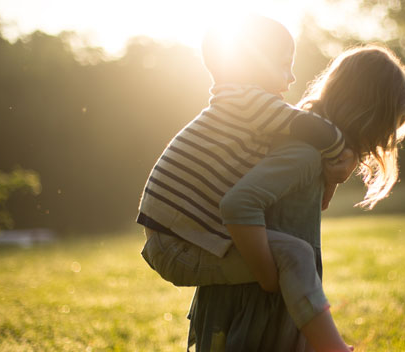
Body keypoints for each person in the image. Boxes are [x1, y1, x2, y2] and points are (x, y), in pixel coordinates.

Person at [137, 14, 356, 352]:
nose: (293, 76)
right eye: (285, 65)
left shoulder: (237, 106)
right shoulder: (248, 102)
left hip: (174, 239)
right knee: (295, 254)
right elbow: (312, 128)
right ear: (254, 64)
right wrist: (341, 153)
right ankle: (331, 348)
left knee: (288, 254)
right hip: (177, 245)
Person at [189, 45, 405, 351]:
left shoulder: (313, 151)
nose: (384, 140)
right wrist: (270, 279)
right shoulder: (304, 154)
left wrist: (335, 173)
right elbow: (239, 203)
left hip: (275, 293)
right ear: (367, 114)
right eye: (387, 127)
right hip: (257, 295)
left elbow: (308, 205)